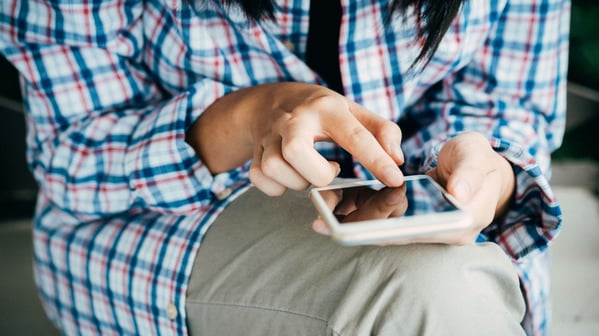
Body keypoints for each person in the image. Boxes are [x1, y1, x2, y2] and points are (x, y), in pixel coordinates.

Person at [0, 0, 569, 334]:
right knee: (432, 292)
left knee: (452, 284)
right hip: (157, 219)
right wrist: (247, 119)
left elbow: (508, 103)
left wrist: (492, 175)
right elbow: (69, 154)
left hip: (406, 206)